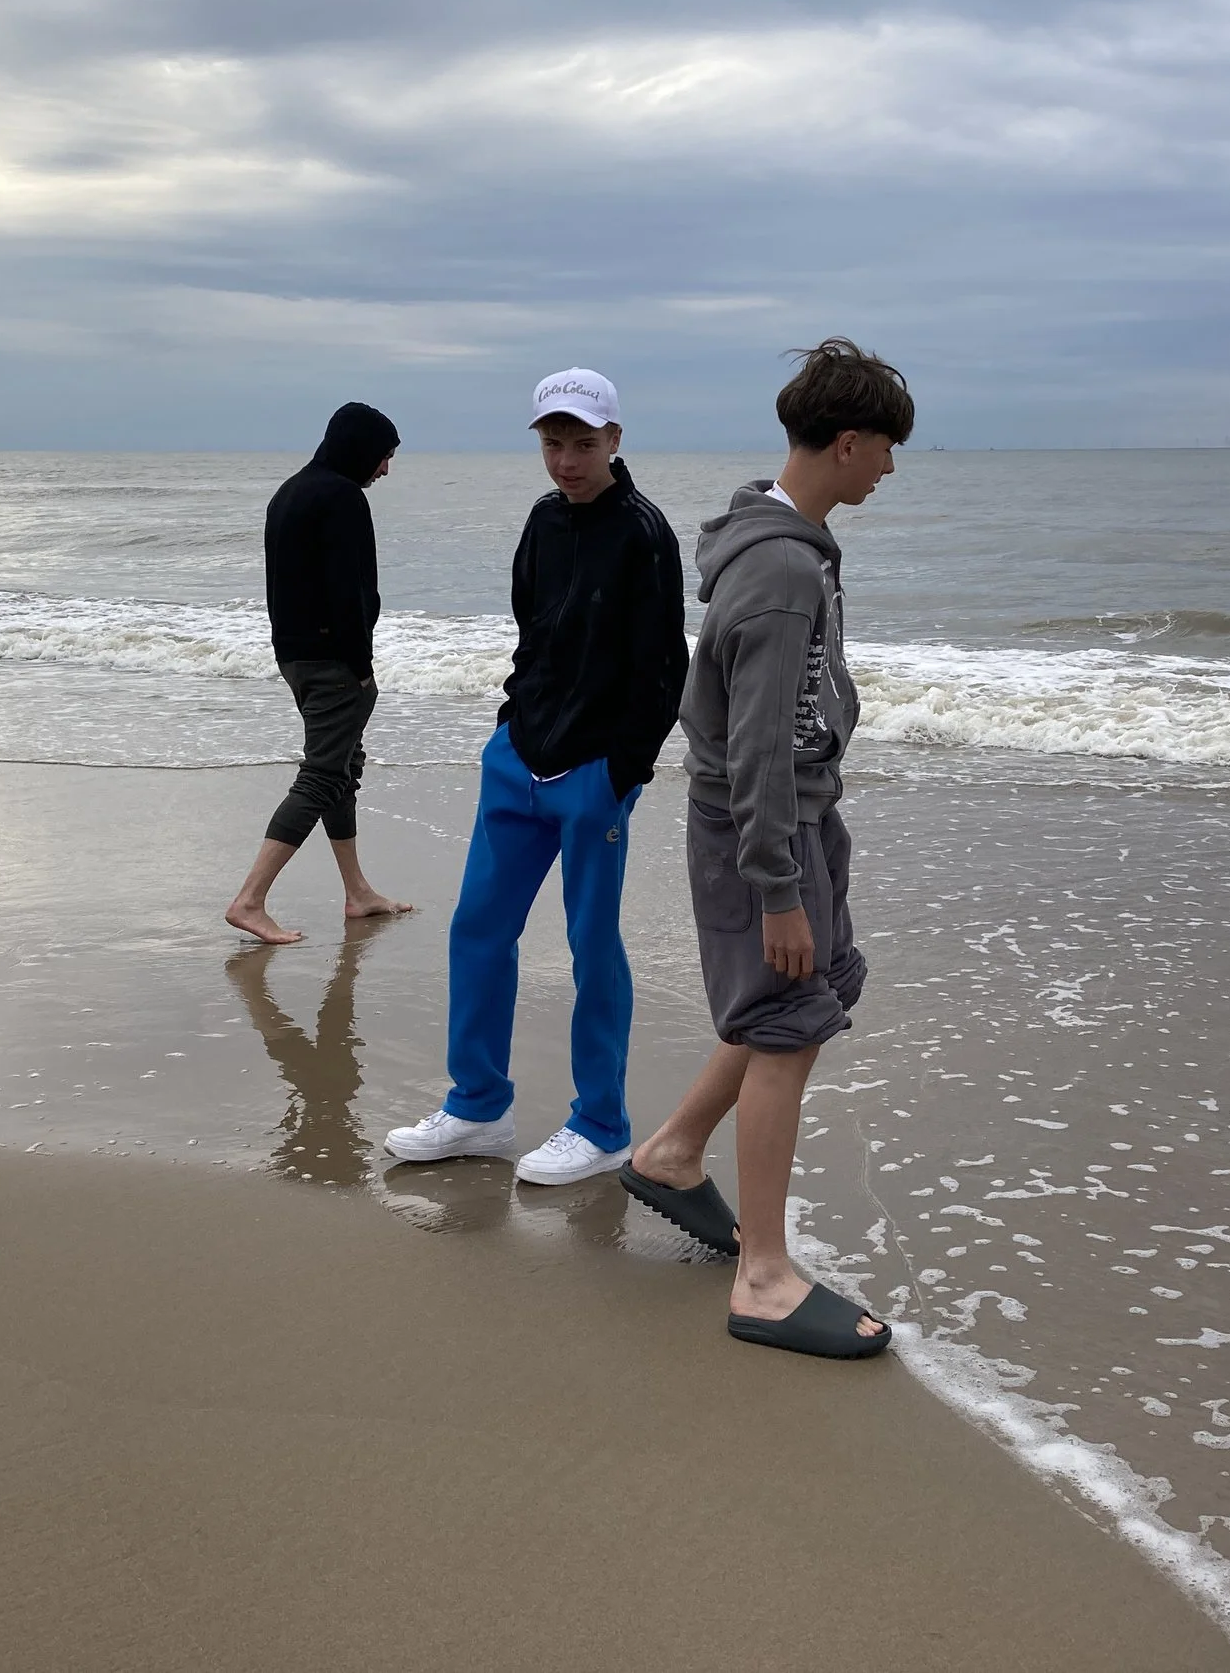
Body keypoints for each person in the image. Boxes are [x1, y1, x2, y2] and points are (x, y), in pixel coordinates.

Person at [620, 338, 912, 1359]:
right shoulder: (785, 568)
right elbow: (753, 745)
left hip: (786, 820)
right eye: (883, 449)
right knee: (787, 1023)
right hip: (765, 830)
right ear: (846, 442)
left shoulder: (776, 538)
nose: (887, 468)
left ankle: (671, 1152)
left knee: (798, 995)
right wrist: (778, 886)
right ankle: (765, 1276)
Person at [384, 368, 689, 1184]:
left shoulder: (644, 532)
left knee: (591, 945)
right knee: (477, 928)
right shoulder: (542, 521)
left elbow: (667, 667)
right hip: (519, 758)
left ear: (616, 440)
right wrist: (506, 734)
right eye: (553, 443)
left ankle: (602, 1124)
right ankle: (477, 1106)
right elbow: (532, 636)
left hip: (595, 772)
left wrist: (622, 769)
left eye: (583, 443)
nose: (566, 461)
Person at [225, 401, 414, 946]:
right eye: (383, 456)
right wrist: (359, 668)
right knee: (323, 775)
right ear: (361, 449)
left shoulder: (290, 491)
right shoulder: (341, 497)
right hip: (334, 663)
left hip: (295, 655)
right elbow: (350, 593)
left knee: (339, 768)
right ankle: (250, 900)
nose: (384, 469)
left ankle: (358, 893)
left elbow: (283, 586)